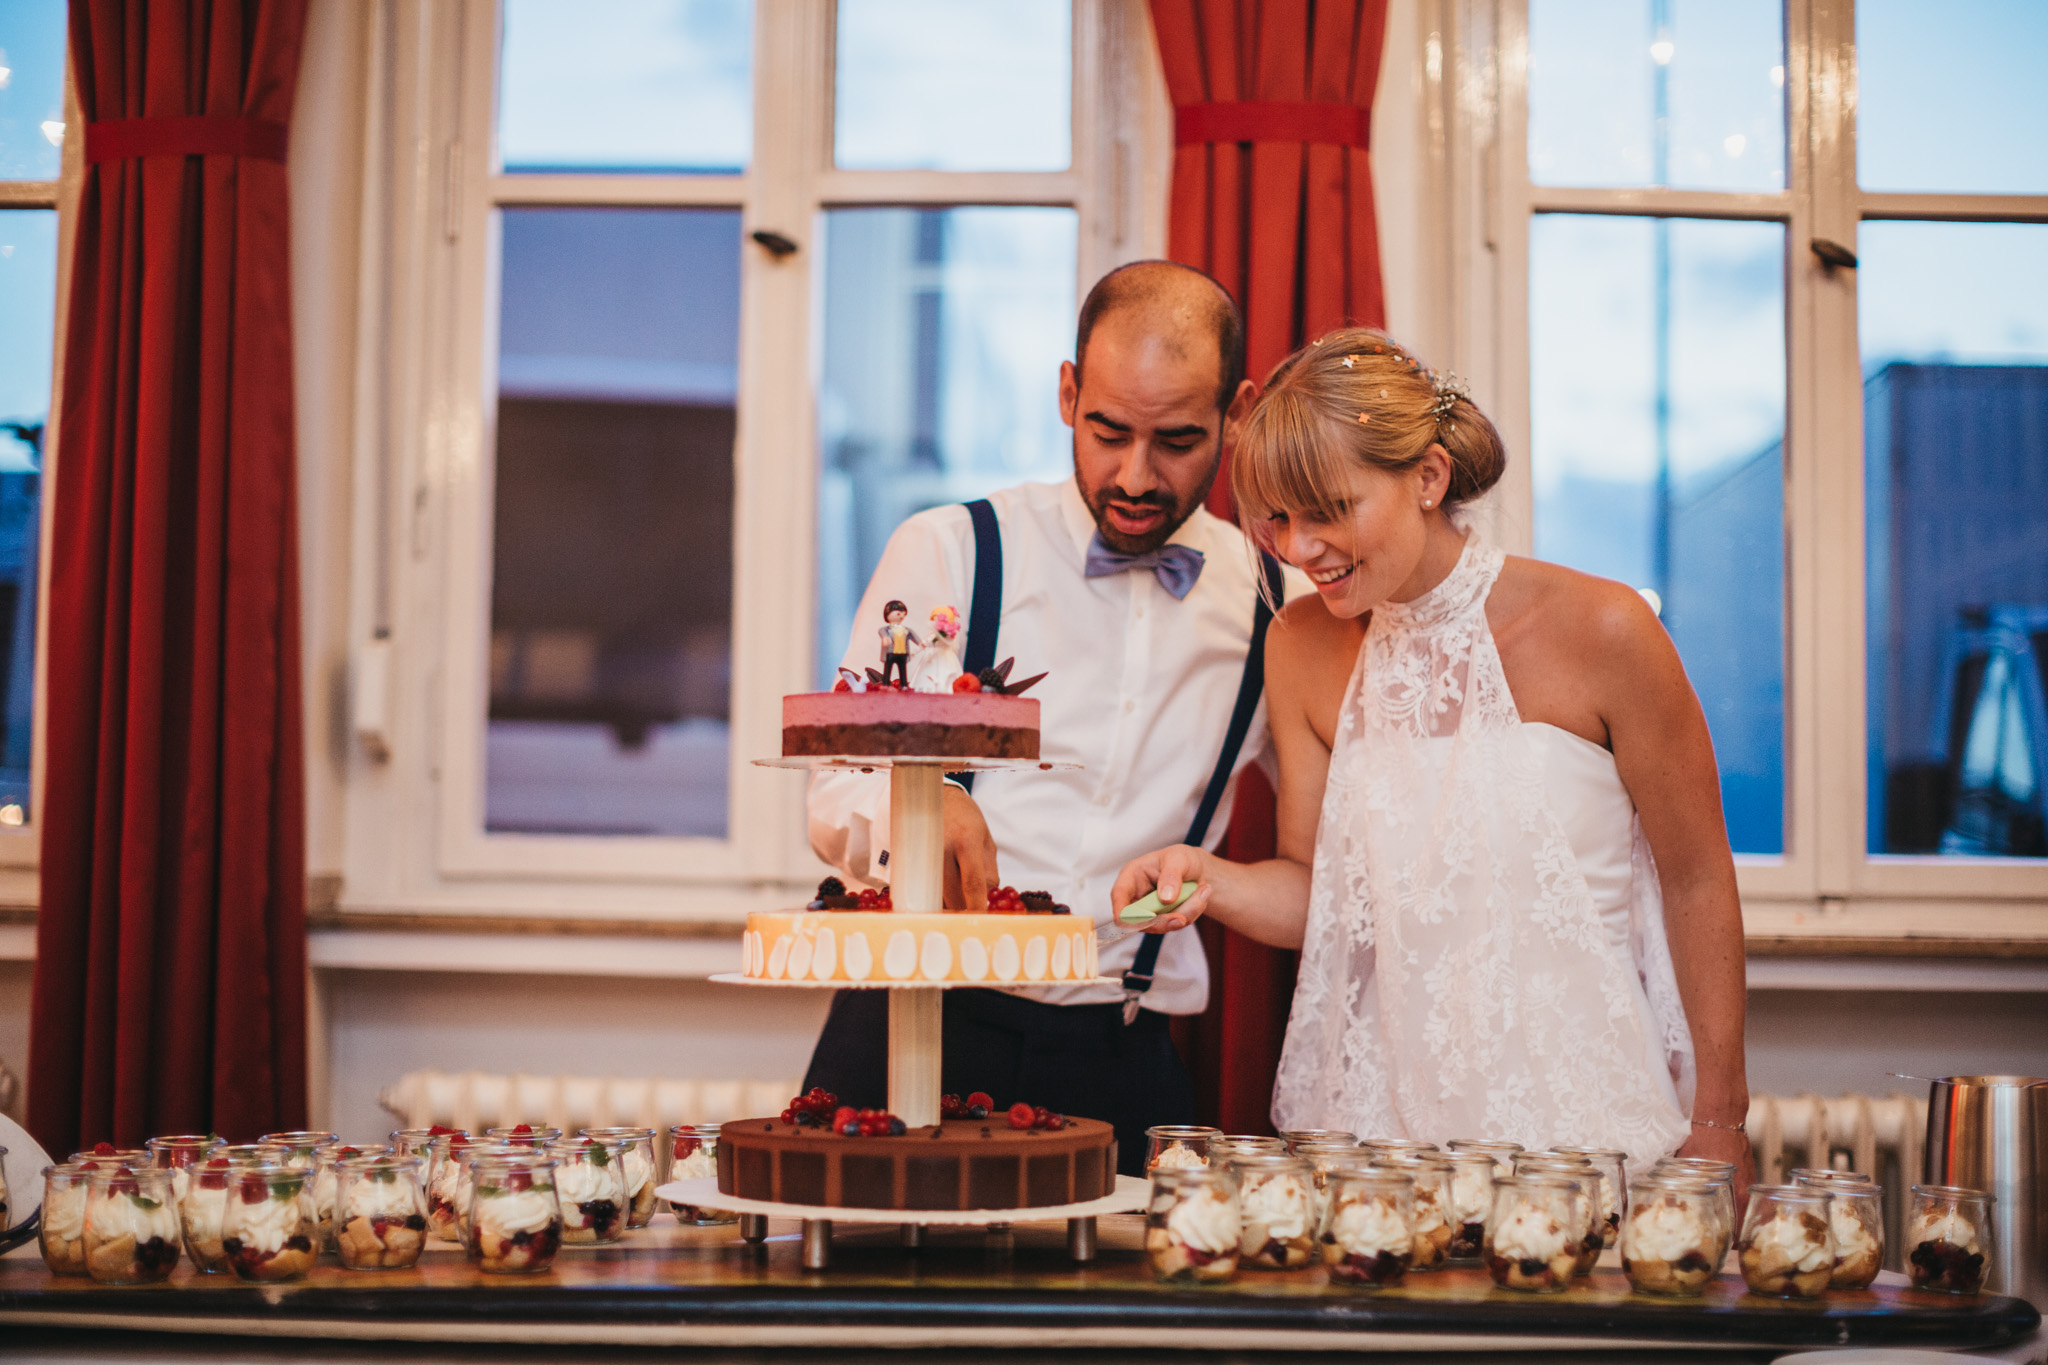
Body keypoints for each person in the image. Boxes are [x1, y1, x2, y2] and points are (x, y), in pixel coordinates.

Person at [1111, 328, 1754, 1187]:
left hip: (1584, 1139)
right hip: (1382, 1149)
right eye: (1278, 521)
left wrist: (1720, 1119)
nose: (1301, 550)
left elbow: (1700, 878)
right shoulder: (1299, 646)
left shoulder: (1606, 630)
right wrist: (1210, 878)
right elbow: (1321, 894)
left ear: (1427, 478)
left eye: (1330, 510)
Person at [803, 262, 1304, 1173]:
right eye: (1109, 431)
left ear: (1238, 413)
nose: (1136, 475)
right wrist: (918, 816)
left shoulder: (1279, 607)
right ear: (1069, 393)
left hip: (1122, 1061)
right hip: (911, 1028)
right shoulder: (951, 550)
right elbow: (835, 784)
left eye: (1179, 440)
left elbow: (1324, 856)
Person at [877, 600, 922, 687]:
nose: (901, 616)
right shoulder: (886, 630)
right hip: (890, 653)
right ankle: (885, 684)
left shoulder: (906, 630)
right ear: (887, 614)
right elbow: (882, 632)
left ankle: (904, 684)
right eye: (898, 614)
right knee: (887, 670)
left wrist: (921, 643)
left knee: (903, 670)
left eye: (903, 614)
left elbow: (916, 638)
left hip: (902, 653)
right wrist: (885, 638)